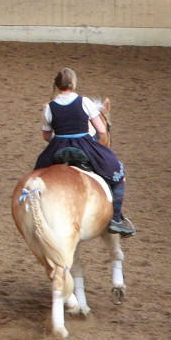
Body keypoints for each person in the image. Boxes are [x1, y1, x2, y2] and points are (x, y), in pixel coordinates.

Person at [33, 68, 135, 236]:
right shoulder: (84, 102)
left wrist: (60, 141)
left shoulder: (49, 108)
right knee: (119, 172)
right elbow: (101, 131)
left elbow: (46, 136)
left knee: (37, 176)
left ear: (57, 85)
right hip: (84, 144)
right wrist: (92, 142)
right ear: (73, 84)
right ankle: (116, 219)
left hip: (58, 146)